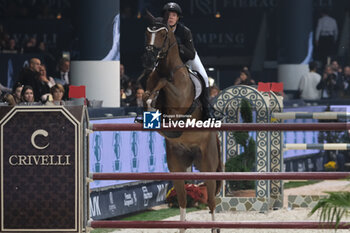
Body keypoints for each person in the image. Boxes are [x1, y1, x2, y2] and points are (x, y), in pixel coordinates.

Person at [162, 2, 212, 119]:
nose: (170, 18)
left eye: (173, 15)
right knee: (152, 77)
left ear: (178, 18)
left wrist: (179, 47)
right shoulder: (161, 30)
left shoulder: (184, 31)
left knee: (204, 77)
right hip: (167, 61)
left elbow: (191, 53)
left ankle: (207, 110)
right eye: (168, 15)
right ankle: (149, 110)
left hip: (187, 59)